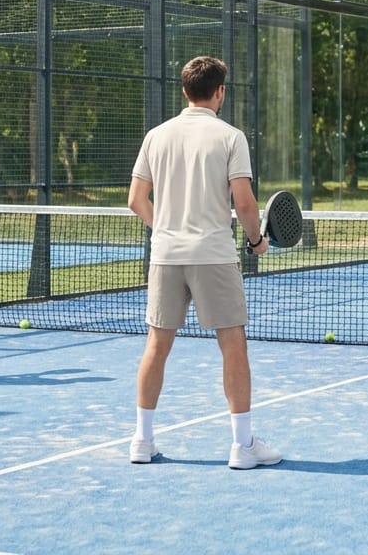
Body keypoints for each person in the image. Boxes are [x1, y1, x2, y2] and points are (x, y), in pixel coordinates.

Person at [127, 56, 281, 470]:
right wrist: (257, 242)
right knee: (233, 346)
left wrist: (168, 229)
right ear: (220, 93)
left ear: (184, 91)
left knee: (156, 347)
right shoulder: (231, 137)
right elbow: (245, 202)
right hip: (214, 255)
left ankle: (142, 441)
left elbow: (136, 200)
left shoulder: (156, 136)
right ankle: (242, 447)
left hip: (166, 256)